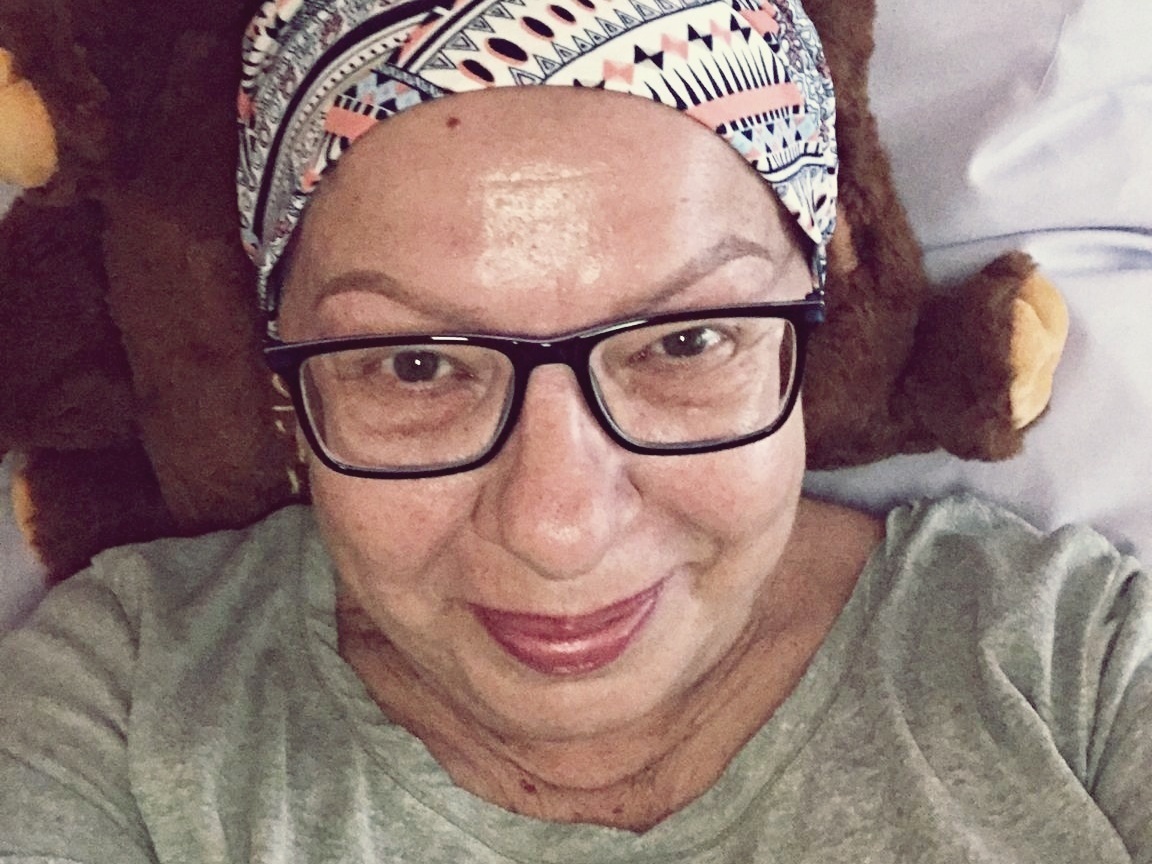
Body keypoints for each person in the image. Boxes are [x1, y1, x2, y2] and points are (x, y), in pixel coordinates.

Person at [0, 0, 1149, 859]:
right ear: (285, 395)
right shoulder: (123, 706)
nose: (557, 529)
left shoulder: (1076, 669)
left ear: (812, 331)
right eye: (415, 365)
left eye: (686, 343)